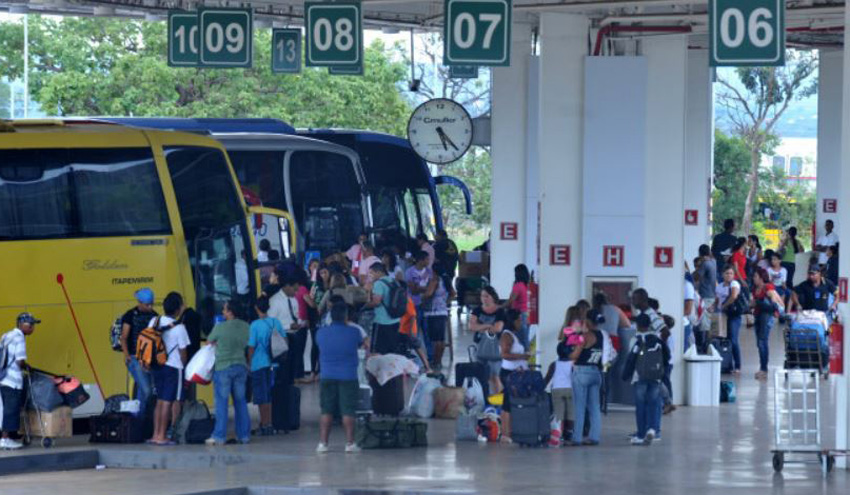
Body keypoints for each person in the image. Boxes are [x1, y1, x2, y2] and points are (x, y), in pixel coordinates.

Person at [316, 296, 368, 454]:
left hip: (327, 375)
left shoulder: (321, 333)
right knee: (348, 410)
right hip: (348, 376)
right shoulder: (354, 332)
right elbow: (361, 345)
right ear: (346, 316)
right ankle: (350, 443)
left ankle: (323, 444)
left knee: (326, 410)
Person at [205, 301, 250, 445]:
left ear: (230, 312)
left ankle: (219, 436)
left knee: (222, 404)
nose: (223, 312)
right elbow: (248, 343)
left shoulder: (220, 327)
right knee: (241, 402)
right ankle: (244, 436)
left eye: (224, 310)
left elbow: (209, 342)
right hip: (241, 366)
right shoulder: (245, 326)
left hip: (223, 367)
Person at [148, 292, 190, 446]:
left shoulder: (155, 320)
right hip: (173, 368)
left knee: (159, 401)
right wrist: (184, 364)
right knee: (168, 402)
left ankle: (155, 434)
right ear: (178, 309)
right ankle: (162, 436)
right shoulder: (180, 328)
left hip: (156, 366)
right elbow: (183, 353)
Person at [622, 314, 669, 446]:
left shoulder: (637, 340)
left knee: (641, 406)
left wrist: (626, 375)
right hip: (656, 378)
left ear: (637, 325)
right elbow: (667, 355)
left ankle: (641, 435)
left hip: (640, 378)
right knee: (653, 404)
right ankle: (652, 429)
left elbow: (631, 359)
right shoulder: (658, 340)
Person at [247, 296, 286, 436]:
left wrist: (249, 363)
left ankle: (265, 425)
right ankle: (268, 424)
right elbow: (284, 341)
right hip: (273, 364)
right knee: (269, 395)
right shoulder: (276, 322)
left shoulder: (255, 325)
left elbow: (251, 347)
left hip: (259, 364)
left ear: (256, 308)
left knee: (261, 396)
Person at [0, 313, 38, 450]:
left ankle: (5, 438)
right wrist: (27, 367)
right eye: (31, 325)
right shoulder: (20, 338)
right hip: (13, 381)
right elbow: (19, 360)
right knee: (11, 410)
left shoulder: (6, 335)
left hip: (2, 378)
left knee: (4, 410)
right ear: (23, 325)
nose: (33, 328)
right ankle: (5, 439)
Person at [120, 288, 158, 418]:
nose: (150, 307)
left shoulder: (154, 315)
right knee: (147, 390)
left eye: (152, 303)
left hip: (149, 359)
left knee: (144, 390)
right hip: (134, 357)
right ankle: (138, 418)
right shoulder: (130, 315)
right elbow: (123, 337)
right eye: (148, 304)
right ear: (140, 303)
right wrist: (127, 356)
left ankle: (138, 419)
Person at [569, 309, 605, 446]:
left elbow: (574, 355)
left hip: (582, 372)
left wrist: (569, 352)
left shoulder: (585, 336)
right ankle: (594, 437)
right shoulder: (602, 335)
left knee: (579, 406)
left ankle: (576, 438)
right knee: (594, 407)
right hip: (596, 372)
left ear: (588, 321)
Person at [497, 309, 531, 444]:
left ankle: (507, 431)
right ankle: (505, 433)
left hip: (516, 373)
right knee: (507, 403)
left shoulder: (513, 335)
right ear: (513, 321)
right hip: (509, 374)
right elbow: (504, 354)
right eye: (518, 320)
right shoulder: (507, 336)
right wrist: (522, 356)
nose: (520, 323)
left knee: (509, 401)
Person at [469, 286, 508, 394]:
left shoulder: (500, 311)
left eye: (487, 296)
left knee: (495, 376)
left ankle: (498, 401)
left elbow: (497, 328)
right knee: (481, 375)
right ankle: (484, 398)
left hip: (495, 348)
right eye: (482, 296)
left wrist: (480, 326)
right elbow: (472, 327)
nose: (484, 299)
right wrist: (488, 325)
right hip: (480, 346)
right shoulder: (477, 310)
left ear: (493, 297)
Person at [269, 276, 307, 383]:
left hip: (294, 335)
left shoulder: (293, 300)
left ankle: (292, 380)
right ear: (287, 286)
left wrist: (300, 323)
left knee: (292, 363)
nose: (296, 292)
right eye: (294, 289)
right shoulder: (275, 301)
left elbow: (295, 315)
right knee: (283, 366)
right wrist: (288, 326)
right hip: (281, 337)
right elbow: (271, 322)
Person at [751, 269, 784, 381]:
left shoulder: (768, 287)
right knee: (760, 342)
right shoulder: (755, 289)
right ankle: (763, 368)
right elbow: (754, 303)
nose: (754, 278)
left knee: (762, 342)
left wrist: (775, 311)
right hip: (758, 316)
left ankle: (764, 369)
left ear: (761, 277)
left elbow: (774, 302)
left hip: (766, 317)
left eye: (755, 276)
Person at [367, 263, 403, 354]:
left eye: (371, 273)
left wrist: (366, 304)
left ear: (378, 272)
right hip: (395, 320)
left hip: (381, 321)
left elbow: (376, 302)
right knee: (392, 350)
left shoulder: (379, 284)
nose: (370, 276)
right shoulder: (394, 281)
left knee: (378, 350)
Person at [544, 341, 574, 443]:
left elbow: (547, 378)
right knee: (570, 413)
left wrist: (541, 388)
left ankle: (558, 430)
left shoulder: (554, 364)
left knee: (559, 413)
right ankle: (569, 432)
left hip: (556, 391)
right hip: (570, 391)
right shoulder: (573, 365)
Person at [715, 266, 743, 374]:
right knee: (723, 340)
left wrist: (724, 305)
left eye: (731, 273)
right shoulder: (719, 287)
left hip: (733, 315)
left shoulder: (734, 284)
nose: (729, 275)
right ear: (722, 274)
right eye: (727, 273)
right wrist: (714, 307)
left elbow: (734, 296)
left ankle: (738, 365)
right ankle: (727, 365)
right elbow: (717, 299)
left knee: (733, 340)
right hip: (722, 315)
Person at [306, 263, 331, 379]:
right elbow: (311, 300)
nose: (323, 275)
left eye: (325, 272)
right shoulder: (315, 286)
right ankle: (312, 371)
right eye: (321, 273)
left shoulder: (333, 285)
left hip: (329, 319)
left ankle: (321, 370)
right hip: (317, 318)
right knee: (315, 345)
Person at [424, 275, 450, 371]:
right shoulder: (446, 280)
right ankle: (439, 361)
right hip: (443, 311)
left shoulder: (435, 280)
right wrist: (445, 302)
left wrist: (423, 296)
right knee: (441, 339)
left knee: (435, 341)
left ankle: (435, 362)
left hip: (433, 312)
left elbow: (428, 294)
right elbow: (453, 293)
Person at [505, 264, 531, 348]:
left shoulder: (518, 285)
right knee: (525, 337)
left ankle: (522, 357)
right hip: (527, 314)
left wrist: (499, 306)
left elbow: (510, 301)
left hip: (518, 315)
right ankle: (526, 357)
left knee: (520, 339)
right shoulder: (526, 285)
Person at [433, 228, 459, 298]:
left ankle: (447, 299)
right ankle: (449, 298)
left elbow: (435, 257)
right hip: (451, 267)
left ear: (440, 235)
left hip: (443, 268)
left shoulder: (439, 244)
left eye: (436, 235)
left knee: (444, 286)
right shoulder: (451, 242)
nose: (435, 237)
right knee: (448, 283)